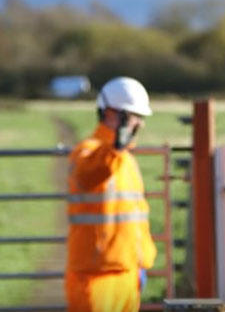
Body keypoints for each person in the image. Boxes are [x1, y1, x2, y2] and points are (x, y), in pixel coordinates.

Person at [65, 77, 157, 312]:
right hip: (95, 278)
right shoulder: (89, 151)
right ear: (112, 113)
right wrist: (115, 148)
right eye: (135, 117)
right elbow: (88, 174)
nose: (140, 125)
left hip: (127, 274)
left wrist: (141, 262)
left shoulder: (125, 159)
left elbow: (134, 217)